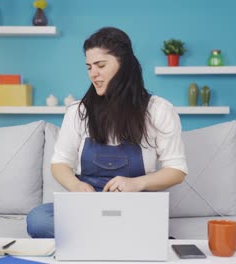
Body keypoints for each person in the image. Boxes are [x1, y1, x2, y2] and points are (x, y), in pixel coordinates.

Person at [26, 27, 188, 238]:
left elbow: (177, 170)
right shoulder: (78, 111)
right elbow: (59, 163)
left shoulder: (158, 110)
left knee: (146, 223)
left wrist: (137, 183)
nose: (93, 73)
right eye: (89, 67)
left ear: (124, 65)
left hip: (135, 207)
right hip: (86, 208)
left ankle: (94, 237)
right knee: (38, 220)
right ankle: (123, 237)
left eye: (101, 65)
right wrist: (75, 185)